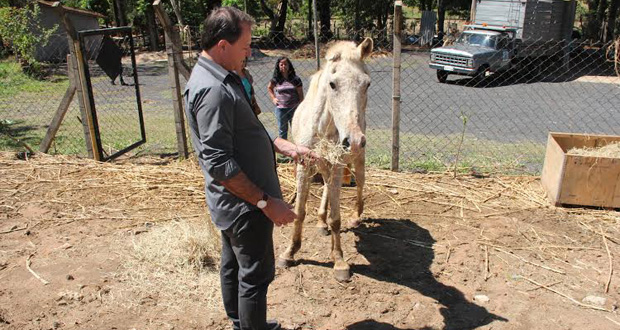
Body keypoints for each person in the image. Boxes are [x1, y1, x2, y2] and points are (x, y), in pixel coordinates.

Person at [183, 7, 318, 330]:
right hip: (244, 204)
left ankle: (240, 323)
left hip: (232, 203)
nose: (249, 53)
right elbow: (218, 162)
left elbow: (243, 128)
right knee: (256, 276)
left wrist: (279, 142)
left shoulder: (221, 76)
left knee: (233, 264)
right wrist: (266, 203)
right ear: (222, 45)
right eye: (245, 47)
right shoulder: (213, 90)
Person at [267, 57, 304, 140]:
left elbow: (301, 94)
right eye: (281, 64)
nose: (284, 66)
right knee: (282, 130)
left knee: (295, 129)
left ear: (289, 66)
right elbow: (269, 88)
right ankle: (284, 149)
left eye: (285, 64)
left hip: (294, 108)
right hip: (281, 109)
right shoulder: (275, 79)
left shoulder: (295, 79)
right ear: (278, 66)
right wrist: (273, 98)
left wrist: (301, 105)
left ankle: (298, 147)